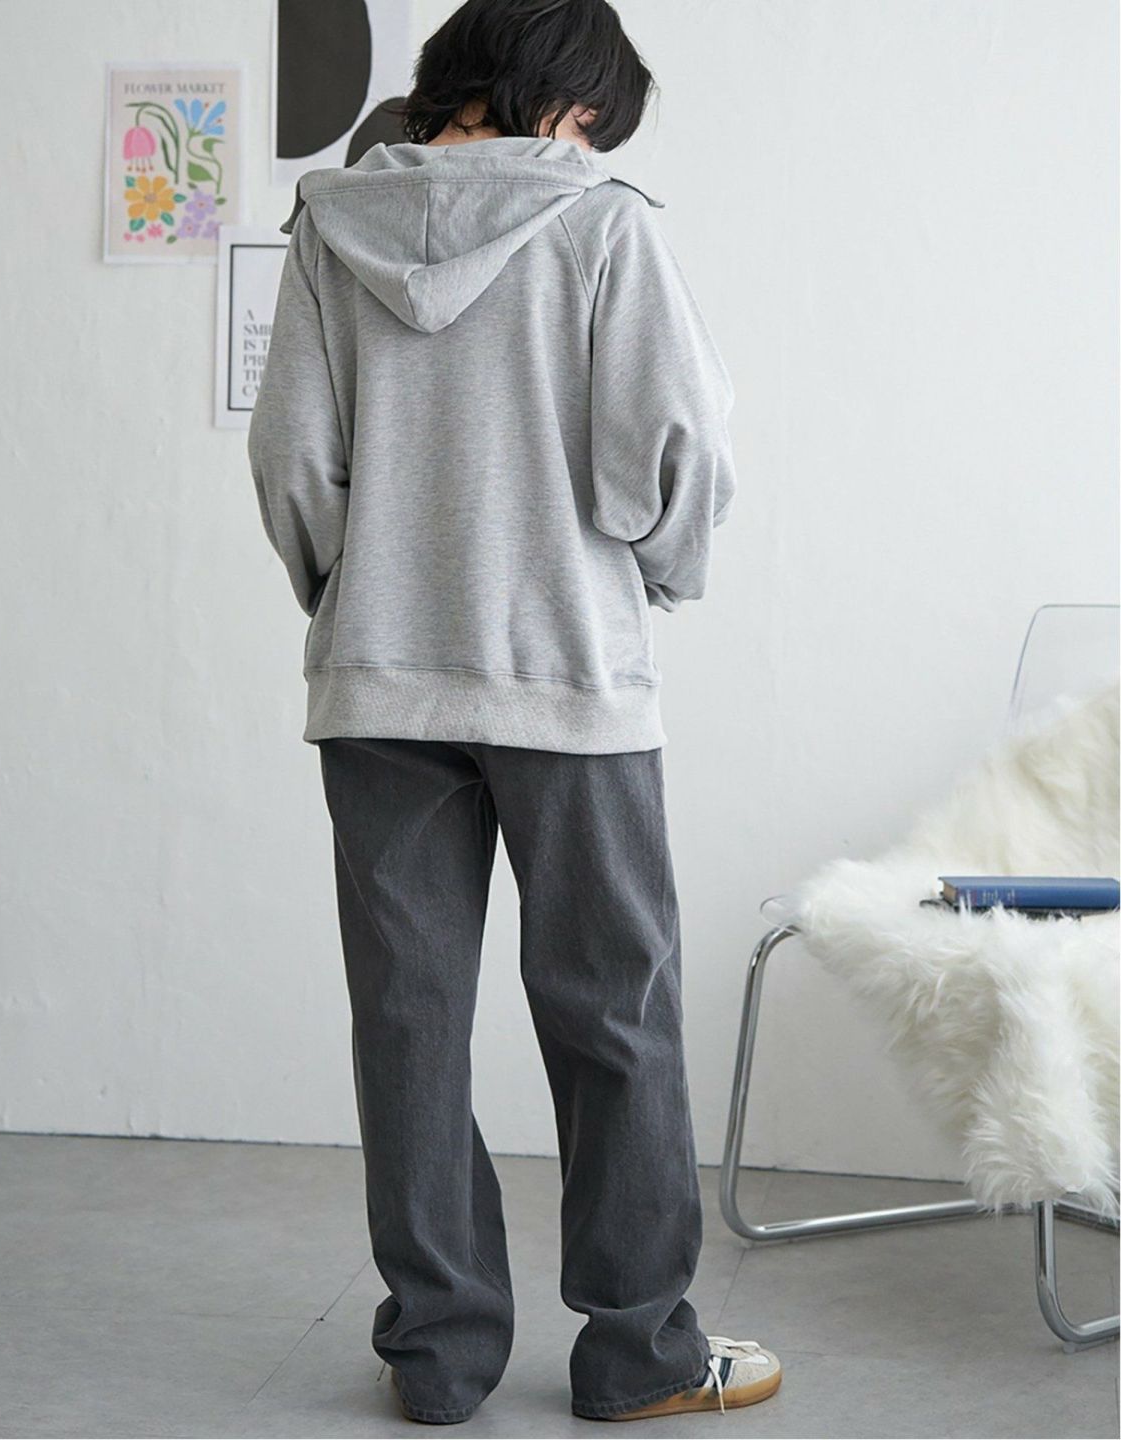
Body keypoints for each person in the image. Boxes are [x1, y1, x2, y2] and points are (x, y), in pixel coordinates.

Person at [249, 0, 780, 1423]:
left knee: (408, 1021)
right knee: (616, 1013)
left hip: (381, 681)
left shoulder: (329, 225)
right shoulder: (601, 224)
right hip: (571, 680)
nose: (594, 146)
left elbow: (292, 456)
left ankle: (437, 1357)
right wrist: (655, 573)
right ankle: (641, 1354)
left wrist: (356, 593)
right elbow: (682, 442)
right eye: (598, 120)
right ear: (569, 102)